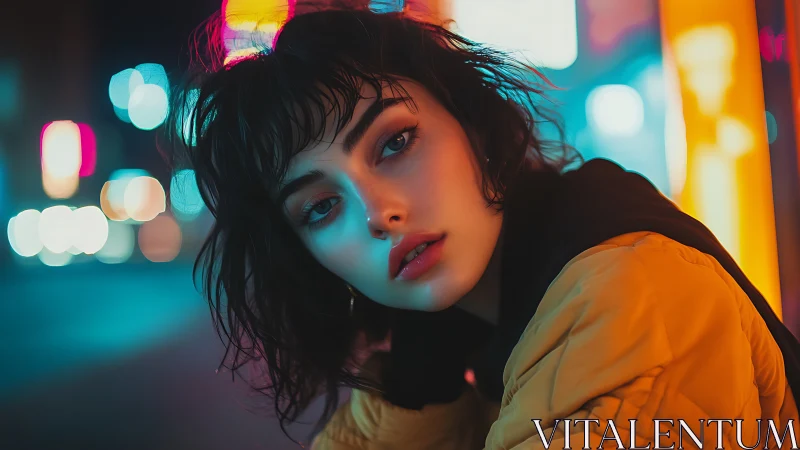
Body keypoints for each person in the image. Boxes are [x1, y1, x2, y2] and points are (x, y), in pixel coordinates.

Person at [165, 5, 800, 449]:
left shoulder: (628, 300)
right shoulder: (464, 339)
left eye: (396, 143)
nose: (377, 212)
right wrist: (414, 389)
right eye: (320, 208)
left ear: (470, 124)